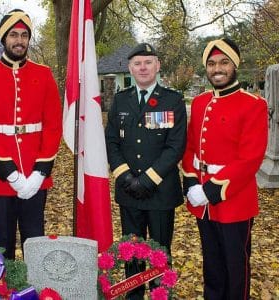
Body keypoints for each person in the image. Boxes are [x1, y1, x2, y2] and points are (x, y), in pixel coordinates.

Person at [0, 9, 62, 260]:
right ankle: (6, 291)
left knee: (35, 239)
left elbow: (53, 125)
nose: (19, 40)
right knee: (3, 242)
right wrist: (8, 170)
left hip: (34, 171)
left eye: (24, 35)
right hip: (0, 175)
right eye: (13, 35)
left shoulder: (43, 74)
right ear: (3, 38)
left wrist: (40, 171)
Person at [182, 38, 268, 299]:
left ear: (234, 66)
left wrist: (210, 190)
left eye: (223, 62)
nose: (217, 68)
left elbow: (249, 159)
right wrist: (190, 182)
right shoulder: (199, 102)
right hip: (201, 199)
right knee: (212, 263)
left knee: (235, 264)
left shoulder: (253, 104)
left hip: (234, 199)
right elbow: (190, 148)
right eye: (211, 63)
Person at [105, 43, 187, 299]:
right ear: (130, 68)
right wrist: (127, 176)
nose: (143, 67)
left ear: (157, 66)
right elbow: (111, 142)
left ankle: (161, 293)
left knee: (160, 252)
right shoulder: (120, 100)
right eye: (137, 63)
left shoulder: (173, 100)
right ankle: (133, 294)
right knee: (131, 251)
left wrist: (147, 180)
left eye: (148, 62)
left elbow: (175, 147)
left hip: (160, 191)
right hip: (129, 190)